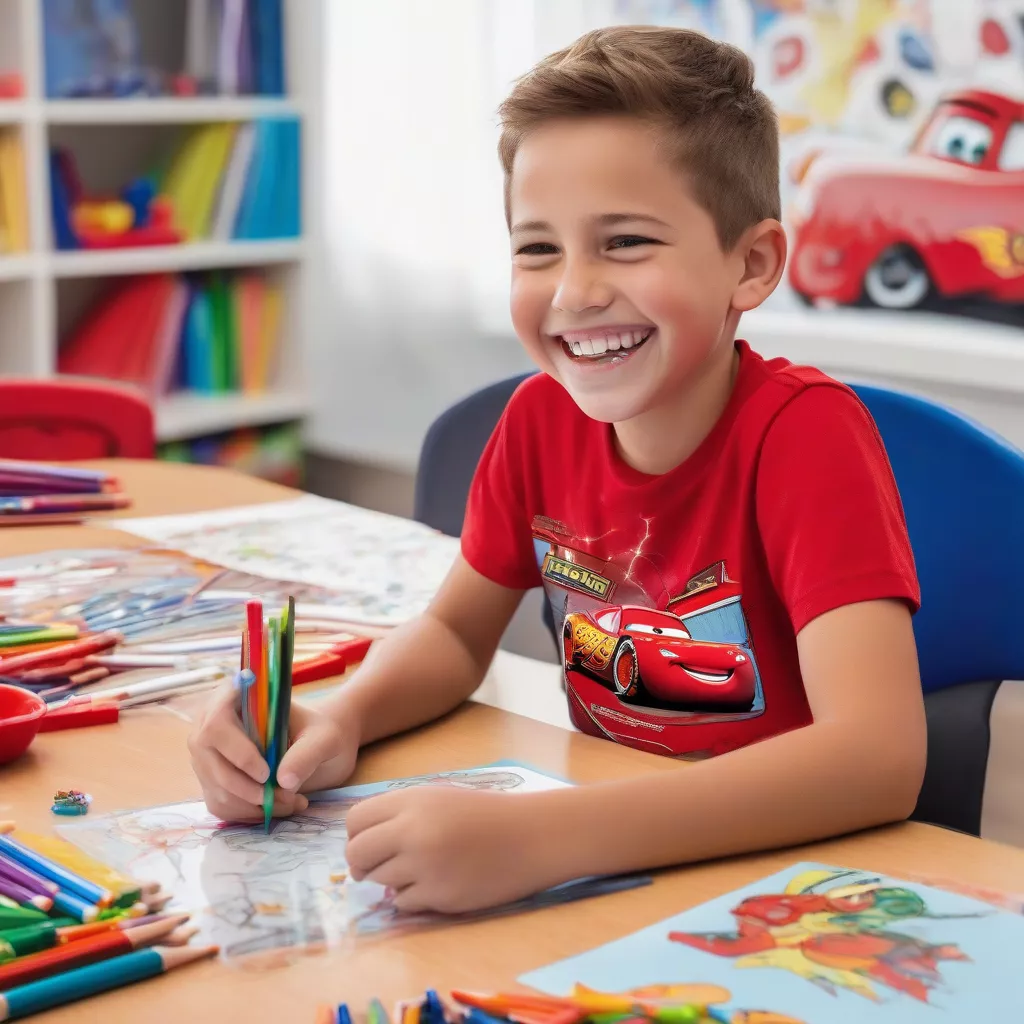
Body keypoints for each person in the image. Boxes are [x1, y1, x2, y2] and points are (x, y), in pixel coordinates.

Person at [188, 26, 926, 915]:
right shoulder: (538, 420)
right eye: (537, 249)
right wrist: (339, 719)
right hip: (616, 855)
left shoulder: (806, 436)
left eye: (626, 242)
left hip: (776, 880)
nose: (574, 292)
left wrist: (547, 837)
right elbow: (455, 635)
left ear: (752, 264)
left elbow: (879, 758)